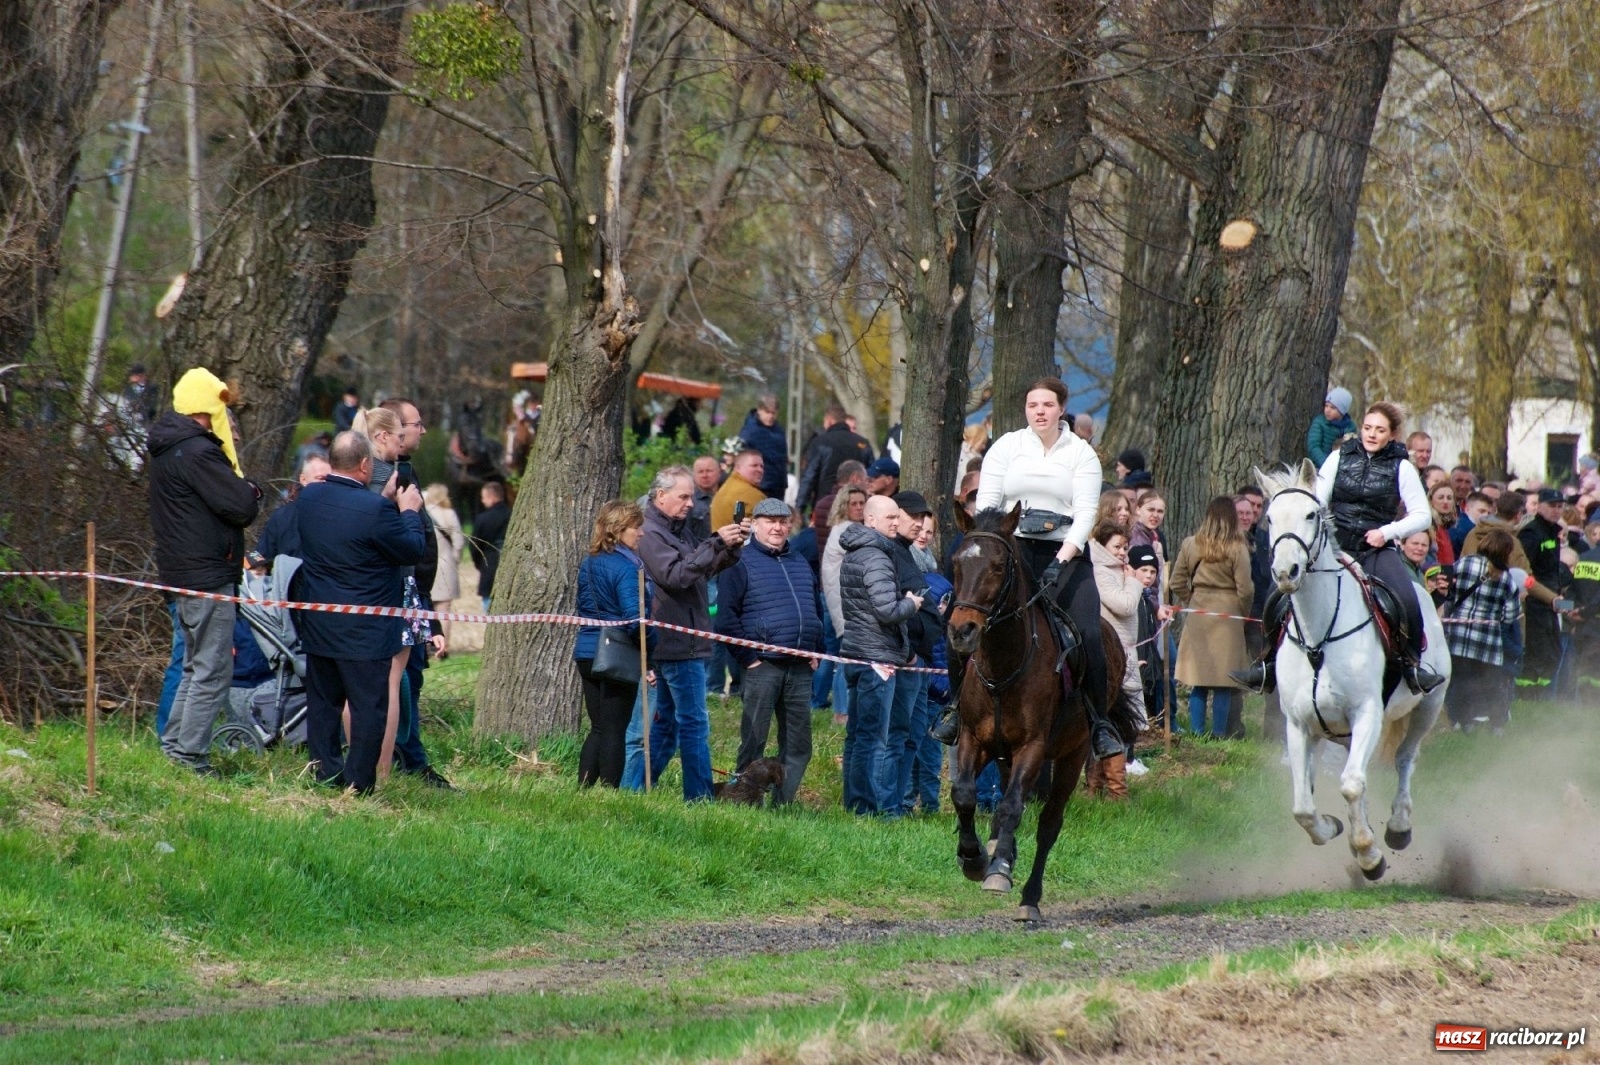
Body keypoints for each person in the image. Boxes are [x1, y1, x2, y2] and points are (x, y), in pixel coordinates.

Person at [951, 376, 1120, 760]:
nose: (1039, 412)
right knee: (961, 618)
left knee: (1090, 633)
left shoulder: (1081, 453)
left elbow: (1085, 515)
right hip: (1013, 551)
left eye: (1046, 405)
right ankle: (953, 710)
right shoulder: (1006, 448)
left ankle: (1098, 725)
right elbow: (990, 506)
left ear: (1061, 408)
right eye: (1032, 405)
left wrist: (1061, 560)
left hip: (1067, 554)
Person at [1237, 402, 1445, 696]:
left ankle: (1411, 666)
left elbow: (1422, 515)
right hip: (1335, 545)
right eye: (1368, 428)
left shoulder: (1403, 467)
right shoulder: (1338, 457)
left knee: (1407, 598)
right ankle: (1267, 663)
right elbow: (1318, 500)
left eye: (1380, 430)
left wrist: (1386, 532)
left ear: (1393, 434)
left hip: (1376, 548)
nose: (1372, 434)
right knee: (1275, 595)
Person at [293, 431, 428, 794]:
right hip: (365, 631)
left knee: (323, 705)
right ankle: (359, 782)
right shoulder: (376, 511)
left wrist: (382, 505)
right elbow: (412, 548)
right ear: (366, 465)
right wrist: (409, 512)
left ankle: (325, 773)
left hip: (320, 621)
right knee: (369, 708)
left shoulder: (310, 498)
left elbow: (350, 526)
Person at [148, 368, 263, 774]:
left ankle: (175, 747)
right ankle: (189, 754)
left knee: (196, 666)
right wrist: (252, 490)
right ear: (207, 407)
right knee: (212, 669)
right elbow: (241, 505)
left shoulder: (168, 449)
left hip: (180, 574)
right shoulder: (198, 452)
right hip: (207, 574)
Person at [639, 465, 746, 801]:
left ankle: (636, 787)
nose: (690, 503)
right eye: (683, 497)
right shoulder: (650, 533)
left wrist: (728, 550)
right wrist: (715, 541)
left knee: (668, 726)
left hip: (688, 639)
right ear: (660, 496)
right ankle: (699, 798)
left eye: (691, 497)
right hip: (676, 642)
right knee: (694, 725)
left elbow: (702, 569)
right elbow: (675, 575)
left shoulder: (679, 531)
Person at [718, 498, 822, 803]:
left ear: (790, 525)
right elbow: (725, 618)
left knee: (799, 743)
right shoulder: (738, 562)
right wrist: (748, 660)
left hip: (801, 666)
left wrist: (818, 649)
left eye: (782, 521)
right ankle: (743, 800)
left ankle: (782, 804)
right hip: (762, 666)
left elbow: (815, 609)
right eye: (769, 521)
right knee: (754, 740)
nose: (777, 527)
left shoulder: (800, 561)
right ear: (756, 525)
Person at [838, 495, 922, 815]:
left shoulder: (857, 552)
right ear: (870, 520)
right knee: (872, 739)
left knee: (857, 735)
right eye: (889, 518)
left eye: (895, 517)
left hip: (857, 652)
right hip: (876, 657)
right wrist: (912, 604)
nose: (896, 523)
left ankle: (855, 804)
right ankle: (865, 809)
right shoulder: (876, 557)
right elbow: (887, 610)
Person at [573, 501, 653, 788]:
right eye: (636, 527)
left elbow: (581, 606)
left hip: (586, 651)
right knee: (614, 730)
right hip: (615, 655)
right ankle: (609, 793)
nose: (641, 533)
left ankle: (582, 790)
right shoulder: (627, 568)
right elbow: (635, 620)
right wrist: (650, 657)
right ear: (620, 530)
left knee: (598, 727)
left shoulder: (589, 561)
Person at [1170, 496, 1252, 738]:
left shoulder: (1190, 544)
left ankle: (1196, 732)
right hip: (1228, 615)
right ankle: (1218, 733)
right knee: (1223, 683)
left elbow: (1176, 581)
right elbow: (1246, 589)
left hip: (1199, 612)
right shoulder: (1238, 548)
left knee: (1199, 680)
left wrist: (1192, 600)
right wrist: (1242, 613)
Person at [1442, 529, 1521, 733]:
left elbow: (1446, 591)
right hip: (1487, 642)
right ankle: (1494, 725)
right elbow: (1512, 615)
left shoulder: (1463, 563)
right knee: (1487, 685)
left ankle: (1458, 721)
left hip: (1457, 635)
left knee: (1458, 681)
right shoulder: (1506, 579)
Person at [1087, 521, 1144, 798]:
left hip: (1126, 651)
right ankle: (1112, 789)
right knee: (1112, 717)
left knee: (1116, 719)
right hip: (1112, 654)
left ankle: (1102, 786)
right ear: (1102, 547)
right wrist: (1134, 582)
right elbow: (1124, 604)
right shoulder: (1101, 571)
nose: (1122, 552)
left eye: (1125, 547)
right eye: (1117, 547)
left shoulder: (1119, 570)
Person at [818, 485, 868, 723]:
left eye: (862, 503)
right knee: (845, 658)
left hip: (838, 600)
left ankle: (839, 707)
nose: (858, 507)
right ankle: (842, 711)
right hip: (845, 603)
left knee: (838, 655)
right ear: (843, 506)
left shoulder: (841, 529)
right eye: (853, 503)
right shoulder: (848, 530)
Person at [1518, 487, 1571, 688]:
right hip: (1535, 603)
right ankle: (1526, 695)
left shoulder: (1553, 532)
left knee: (1553, 651)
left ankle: (1540, 696)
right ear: (1539, 506)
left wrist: (1564, 601)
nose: (1556, 510)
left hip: (1551, 601)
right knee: (1536, 651)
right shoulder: (1531, 533)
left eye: (1560, 506)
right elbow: (1524, 572)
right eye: (1552, 506)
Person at [255, 454, 330, 563]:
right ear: (303, 479)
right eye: (320, 478)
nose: (326, 484)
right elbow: (259, 553)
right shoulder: (282, 516)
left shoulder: (344, 516)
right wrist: (247, 564)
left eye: (330, 480)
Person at [796, 404, 874, 510]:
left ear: (829, 420)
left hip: (826, 505)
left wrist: (799, 508)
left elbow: (809, 477)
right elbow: (871, 476)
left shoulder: (820, 442)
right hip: (857, 504)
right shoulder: (862, 443)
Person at [423, 484, 464, 657]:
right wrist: (455, 558)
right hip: (446, 566)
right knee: (444, 608)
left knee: (425, 607)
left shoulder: (423, 513)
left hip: (426, 565)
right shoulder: (449, 514)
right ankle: (443, 647)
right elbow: (459, 542)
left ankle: (425, 646)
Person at [469, 481, 510, 612]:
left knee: (489, 605)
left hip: (489, 564)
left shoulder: (483, 519)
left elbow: (474, 546)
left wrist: (479, 564)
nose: (482, 501)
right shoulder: (513, 514)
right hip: (510, 563)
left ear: (492, 498)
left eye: (483, 497)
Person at [738, 394, 789, 499]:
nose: (770, 416)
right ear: (759, 411)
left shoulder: (778, 430)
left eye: (773, 413)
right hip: (759, 485)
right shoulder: (749, 432)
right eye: (767, 412)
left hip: (778, 485)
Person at [710, 449, 768, 530]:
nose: (760, 470)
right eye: (754, 465)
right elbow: (763, 533)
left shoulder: (726, 487)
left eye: (762, 466)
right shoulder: (752, 495)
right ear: (738, 468)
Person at [1306, 386, 1355, 467]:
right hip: (1320, 467)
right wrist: (1326, 464)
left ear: (1341, 410)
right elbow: (1314, 446)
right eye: (1326, 406)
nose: (1327, 410)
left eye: (1333, 407)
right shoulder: (1320, 422)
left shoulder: (1350, 427)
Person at [688, 455, 722, 542]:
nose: (705, 475)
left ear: (719, 472)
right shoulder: (688, 502)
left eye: (709, 471)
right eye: (700, 472)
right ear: (694, 475)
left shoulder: (728, 497)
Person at [1427, 482, 1458, 568]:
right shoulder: (1429, 525)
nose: (1445, 502)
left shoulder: (1445, 526)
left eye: (1449, 498)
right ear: (1431, 500)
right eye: (1440, 498)